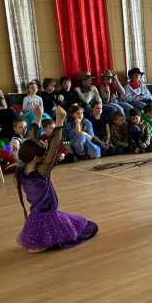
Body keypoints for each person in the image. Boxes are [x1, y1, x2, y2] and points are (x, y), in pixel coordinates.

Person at [14, 105, 98, 252]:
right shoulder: (41, 172)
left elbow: (31, 143)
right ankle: (45, 243)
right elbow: (53, 148)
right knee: (89, 227)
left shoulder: (22, 170)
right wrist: (59, 122)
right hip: (49, 216)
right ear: (35, 158)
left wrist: (38, 119)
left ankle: (41, 243)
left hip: (36, 216)